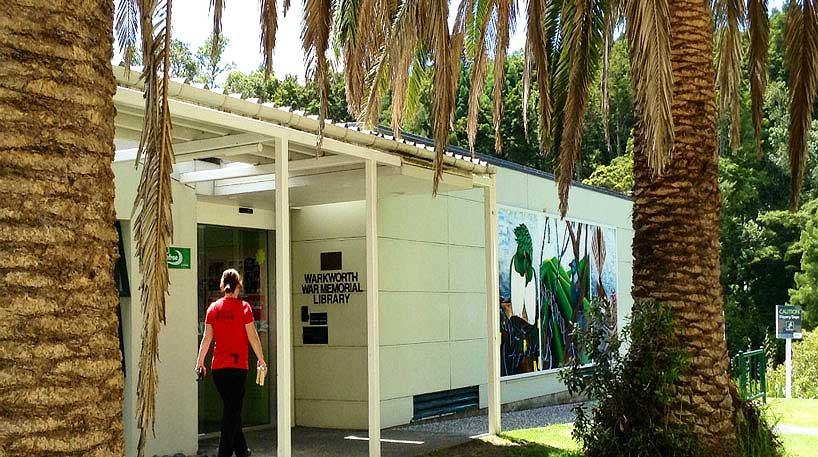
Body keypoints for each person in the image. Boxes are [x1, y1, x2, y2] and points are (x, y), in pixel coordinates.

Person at [196, 269, 267, 457]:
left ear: (222, 286)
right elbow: (252, 336)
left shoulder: (213, 308)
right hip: (238, 368)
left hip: (218, 369)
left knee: (231, 409)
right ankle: (224, 453)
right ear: (238, 286)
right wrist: (261, 359)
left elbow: (206, 339)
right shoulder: (244, 308)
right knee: (232, 412)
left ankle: (242, 451)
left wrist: (200, 362)